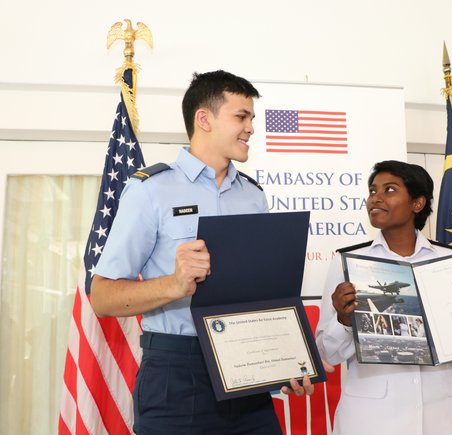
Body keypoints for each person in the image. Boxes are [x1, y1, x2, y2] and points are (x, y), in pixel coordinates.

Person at [91, 70, 312, 435]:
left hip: (249, 375)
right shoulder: (151, 190)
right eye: (241, 116)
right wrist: (174, 284)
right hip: (178, 374)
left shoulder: (253, 196)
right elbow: (102, 297)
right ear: (204, 119)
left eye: (252, 118)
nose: (251, 128)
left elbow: (263, 295)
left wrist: (289, 363)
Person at [316, 160, 452, 435]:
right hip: (374, 417)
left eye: (389, 189)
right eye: (372, 190)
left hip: (449, 414)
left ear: (417, 203)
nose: (375, 197)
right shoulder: (347, 263)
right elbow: (327, 353)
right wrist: (343, 320)